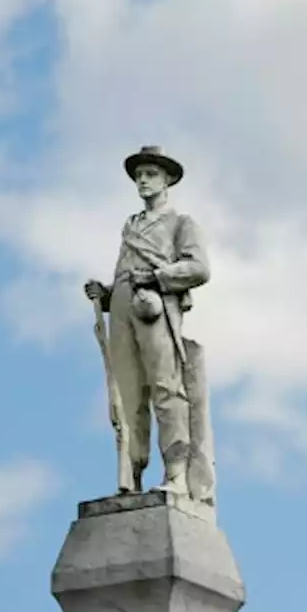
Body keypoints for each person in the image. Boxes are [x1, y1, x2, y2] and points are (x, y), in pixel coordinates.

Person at [84, 145, 214, 502]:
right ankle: (131, 476)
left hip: (155, 308)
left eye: (151, 174)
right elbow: (126, 271)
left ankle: (177, 474)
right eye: (139, 175)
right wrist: (108, 295)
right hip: (126, 308)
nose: (143, 180)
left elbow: (199, 268)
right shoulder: (131, 225)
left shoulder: (180, 223)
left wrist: (158, 276)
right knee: (127, 395)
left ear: (167, 179)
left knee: (165, 388)